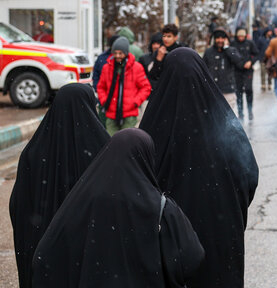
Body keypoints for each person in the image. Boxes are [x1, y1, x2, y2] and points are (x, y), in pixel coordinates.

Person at [139, 48, 258, 288]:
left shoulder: (154, 122)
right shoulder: (223, 118)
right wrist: (230, 206)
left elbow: (138, 179)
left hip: (169, 242)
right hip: (221, 231)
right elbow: (249, 174)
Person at [32, 128, 205, 288]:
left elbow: (45, 255)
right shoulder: (161, 208)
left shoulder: (81, 200)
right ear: (147, 158)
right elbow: (192, 257)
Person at [10, 84, 110, 288]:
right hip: (87, 249)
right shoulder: (103, 149)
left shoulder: (34, 152)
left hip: (43, 247)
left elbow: (18, 204)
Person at [97, 36, 152, 135]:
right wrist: (104, 100)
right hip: (110, 113)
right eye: (115, 53)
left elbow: (145, 87)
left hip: (129, 114)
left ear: (126, 53)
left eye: (120, 53)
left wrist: (135, 102)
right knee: (111, 142)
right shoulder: (107, 68)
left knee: (127, 142)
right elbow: (101, 87)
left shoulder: (136, 68)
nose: (117, 56)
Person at [203, 29, 246, 117]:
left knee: (227, 118)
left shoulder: (231, 50)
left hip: (228, 90)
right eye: (218, 38)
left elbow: (239, 63)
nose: (220, 40)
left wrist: (227, 49)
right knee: (215, 117)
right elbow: (204, 69)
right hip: (213, 91)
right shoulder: (209, 52)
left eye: (222, 38)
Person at [231, 28, 260, 121]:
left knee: (248, 90)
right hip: (237, 71)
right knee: (238, 92)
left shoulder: (250, 43)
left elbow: (256, 54)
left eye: (242, 36)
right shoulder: (233, 44)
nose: (241, 38)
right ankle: (240, 113)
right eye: (239, 36)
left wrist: (251, 62)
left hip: (248, 71)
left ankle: (250, 111)